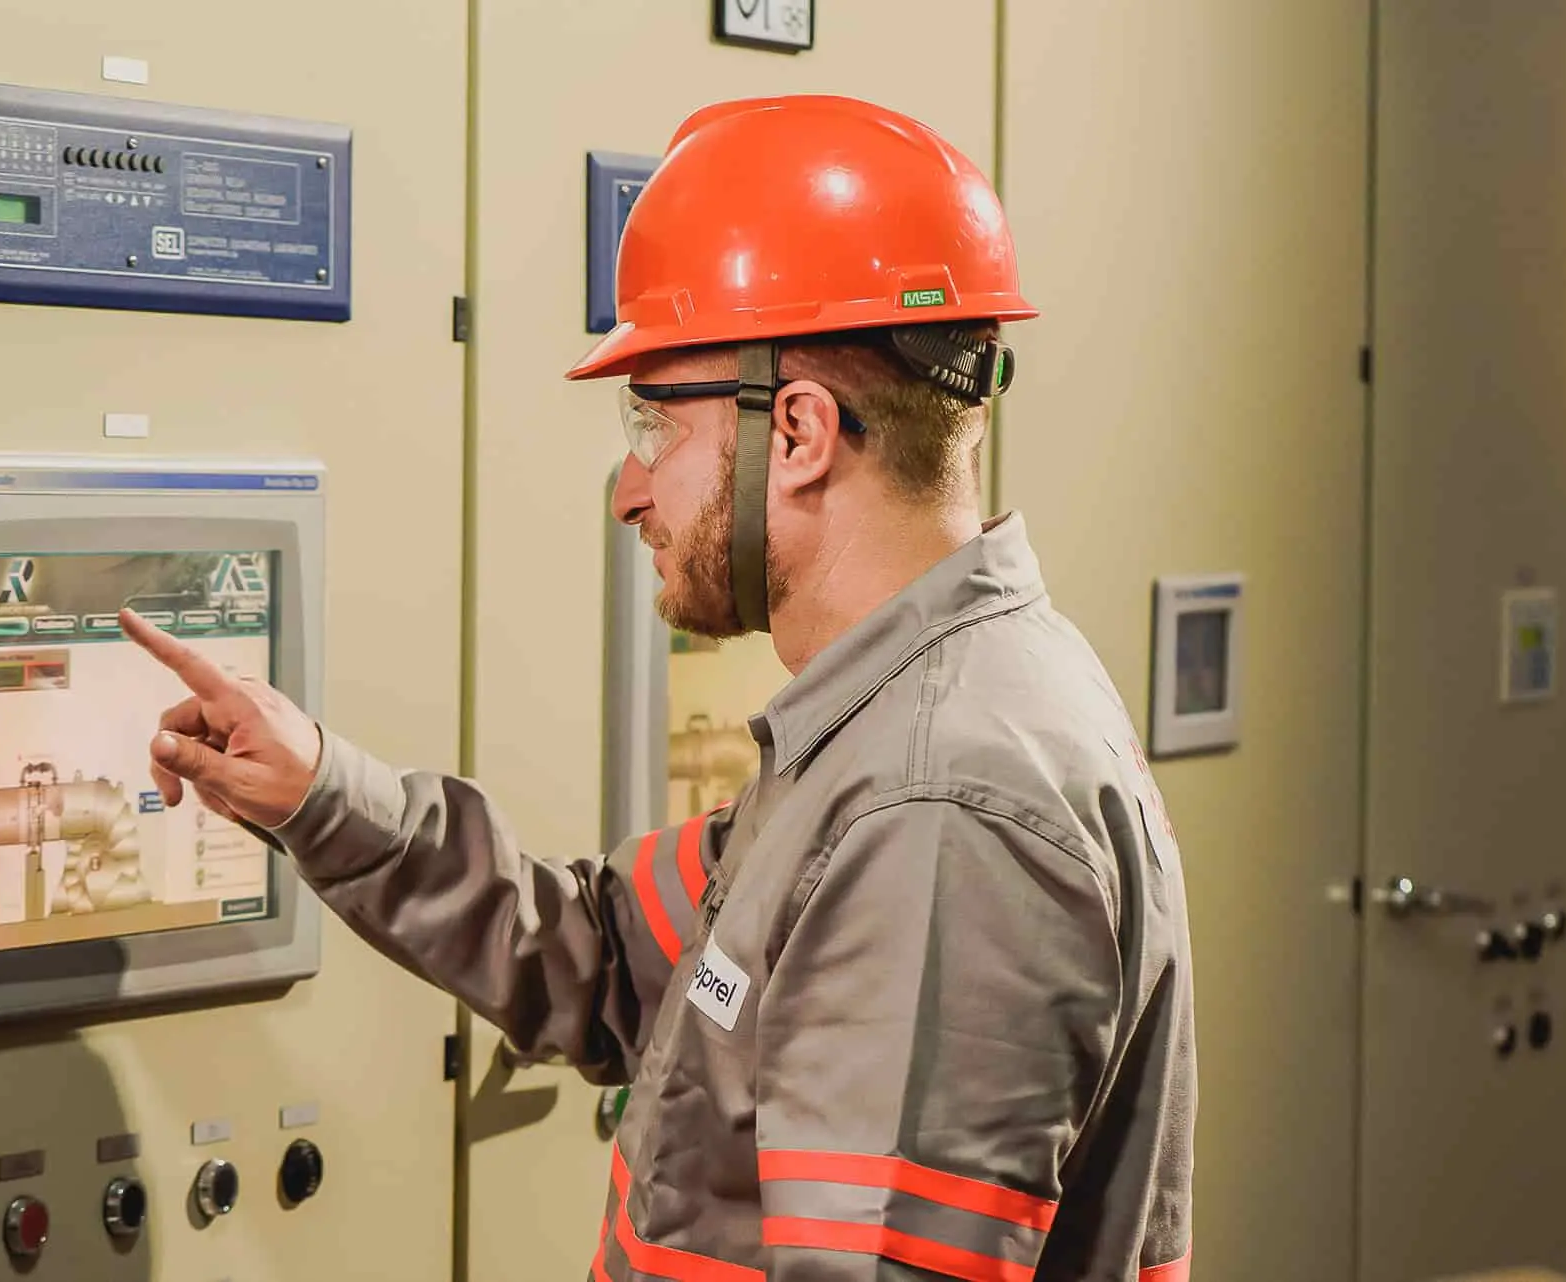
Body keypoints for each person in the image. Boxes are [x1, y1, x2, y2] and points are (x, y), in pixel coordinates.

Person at [119, 94, 1195, 1282]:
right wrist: (320, 792)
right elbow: (612, 958)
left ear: (798, 432)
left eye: (652, 421)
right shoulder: (884, 732)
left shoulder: (940, 802)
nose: (631, 490)